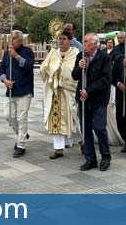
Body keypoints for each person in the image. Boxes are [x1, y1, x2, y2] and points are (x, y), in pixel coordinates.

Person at [73, 33, 112, 171]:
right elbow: (74, 76)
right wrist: (79, 66)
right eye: (83, 42)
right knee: (86, 129)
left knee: (99, 127)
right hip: (83, 99)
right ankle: (90, 159)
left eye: (86, 42)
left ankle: (106, 156)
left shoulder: (104, 58)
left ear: (94, 43)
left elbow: (105, 80)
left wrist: (89, 90)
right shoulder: (81, 56)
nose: (83, 45)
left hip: (98, 98)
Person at [41, 31, 81, 159]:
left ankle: (83, 141)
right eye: (59, 39)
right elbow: (43, 69)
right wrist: (50, 67)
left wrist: (60, 68)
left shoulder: (75, 54)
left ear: (70, 40)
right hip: (55, 92)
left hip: (68, 92)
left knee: (73, 119)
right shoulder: (53, 53)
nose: (61, 41)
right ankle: (58, 149)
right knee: (56, 121)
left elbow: (74, 72)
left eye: (64, 39)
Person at [0, 30, 35, 158]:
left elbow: (29, 66)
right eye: (10, 38)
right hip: (10, 91)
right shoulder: (6, 53)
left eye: (14, 38)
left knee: (22, 118)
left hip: (24, 91)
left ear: (20, 40)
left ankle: (20, 145)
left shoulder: (27, 52)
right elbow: (2, 70)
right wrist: (4, 80)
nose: (11, 41)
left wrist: (17, 56)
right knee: (9, 116)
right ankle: (23, 134)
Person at [105, 37, 123, 146]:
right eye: (108, 42)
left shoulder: (115, 53)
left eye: (111, 42)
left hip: (112, 87)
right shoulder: (103, 52)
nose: (109, 44)